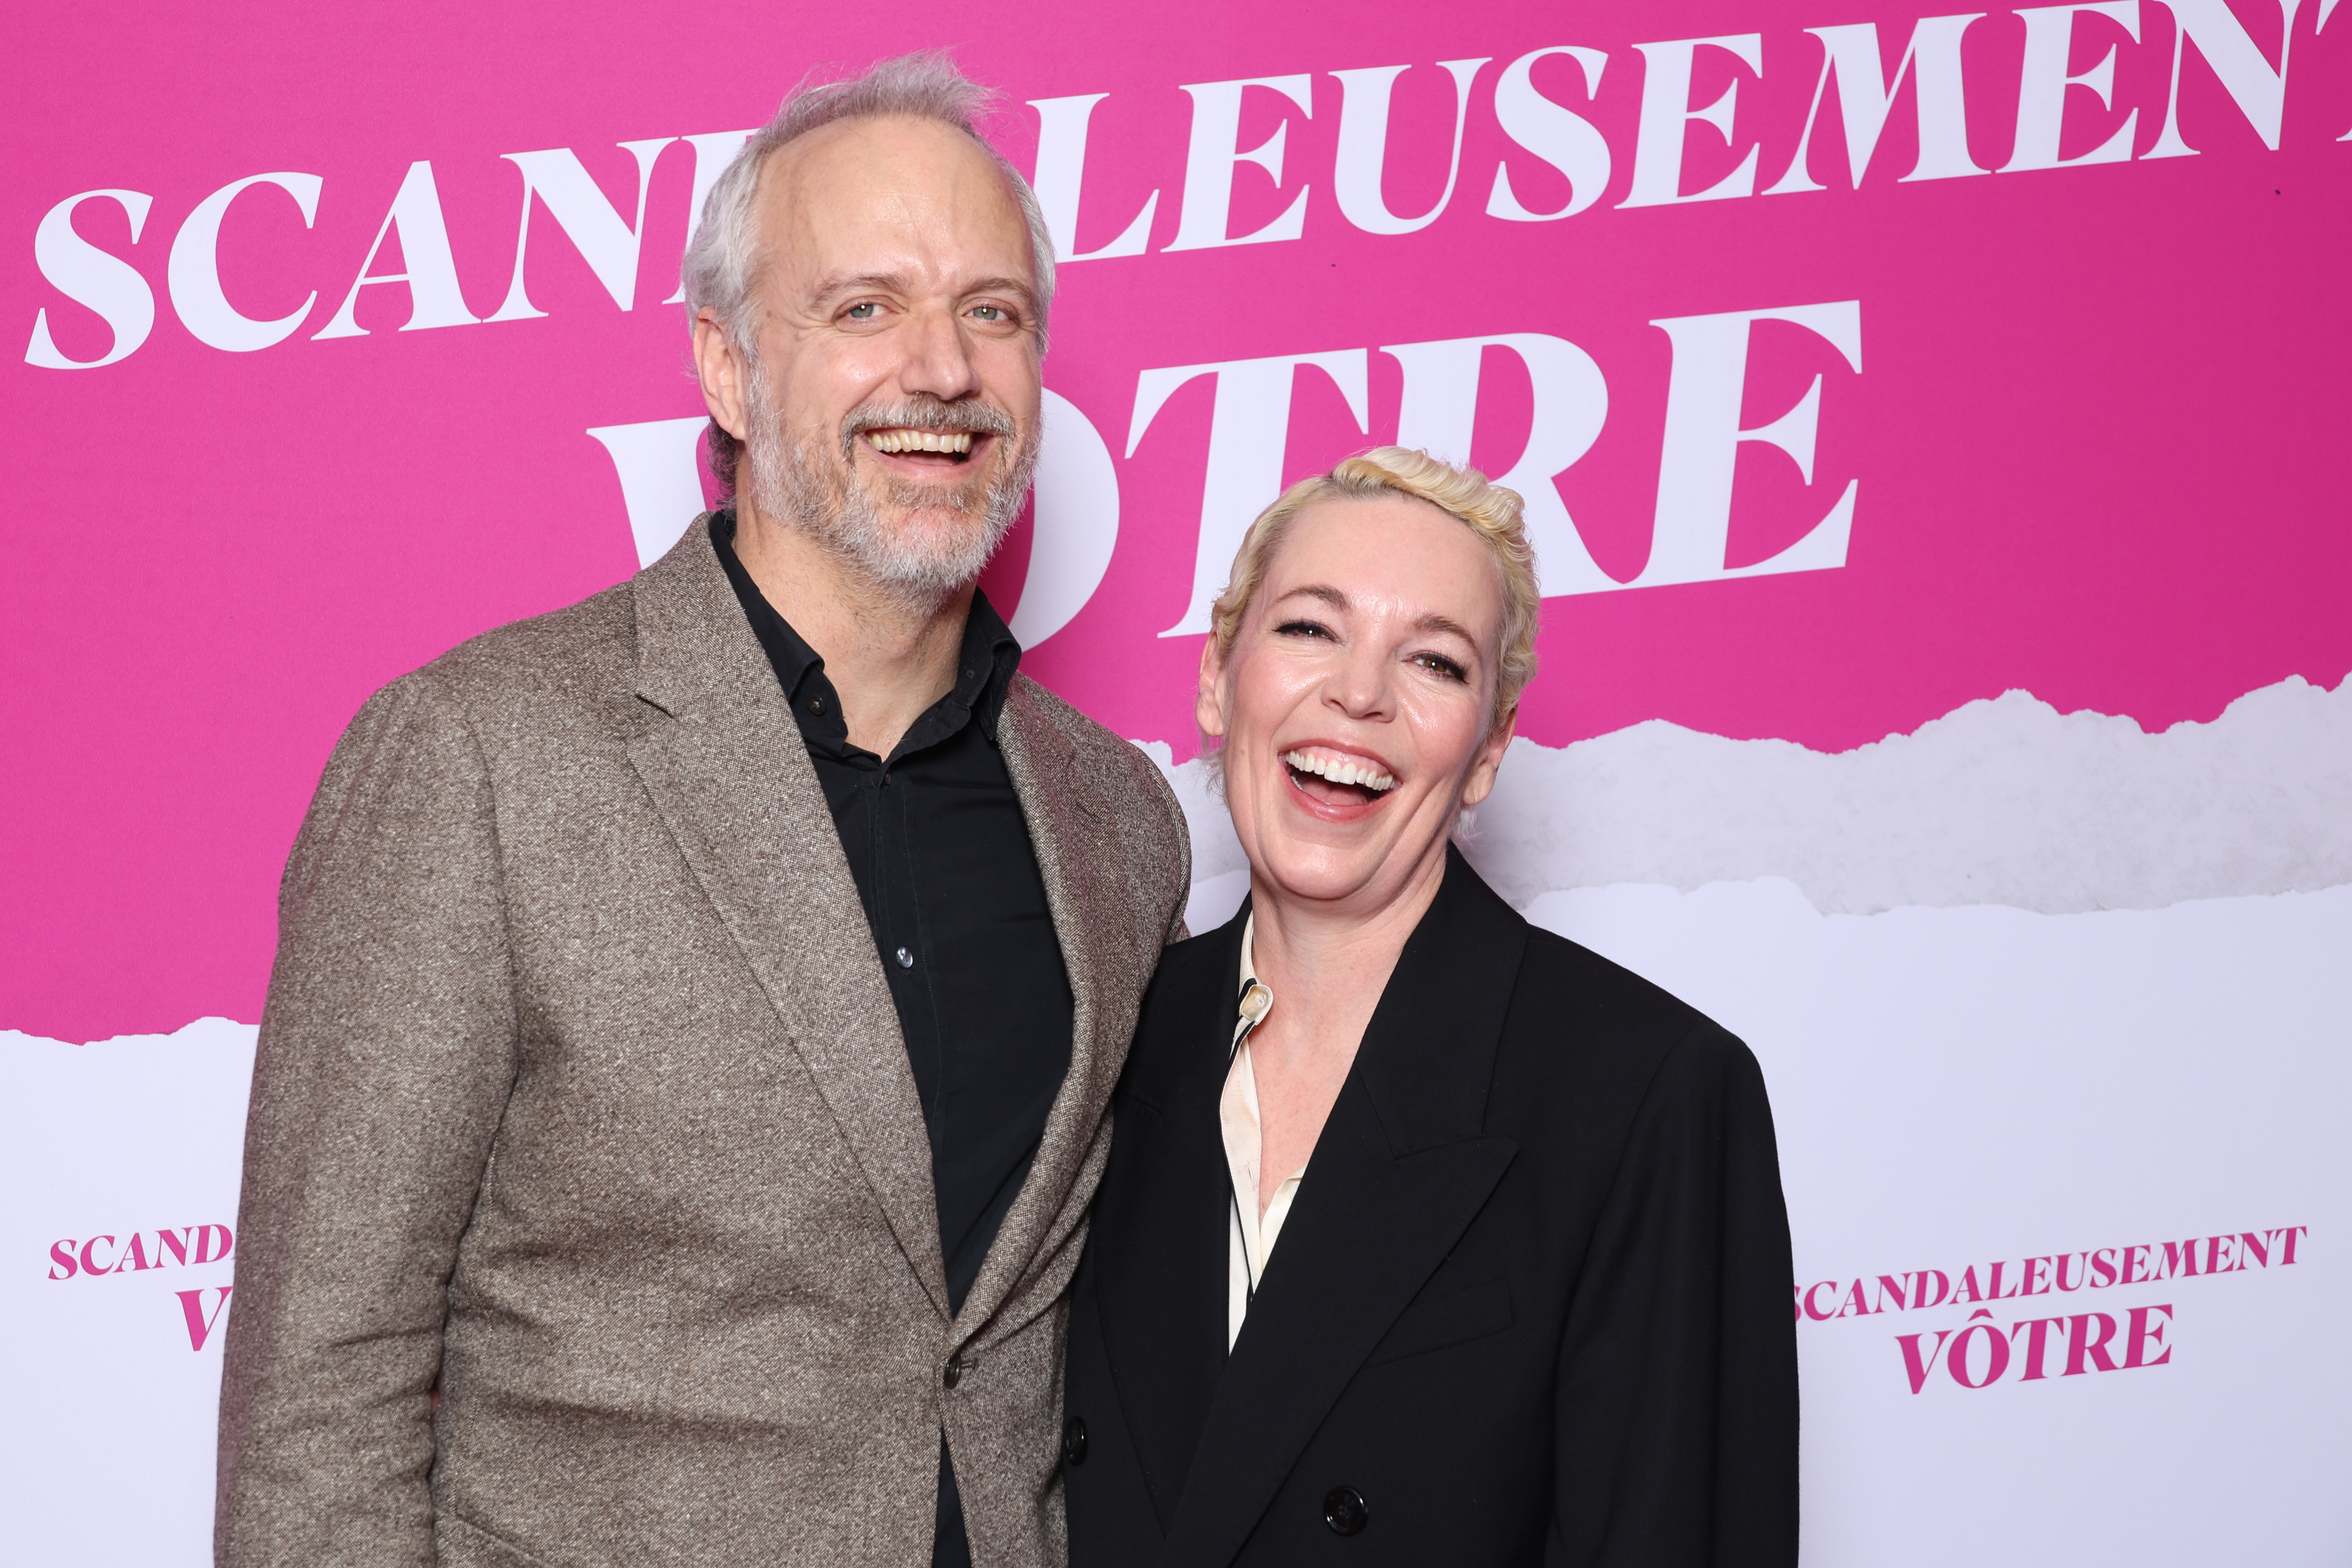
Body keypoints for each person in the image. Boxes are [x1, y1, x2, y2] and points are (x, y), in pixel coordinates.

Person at [215, 54, 1190, 1568]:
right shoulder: (477, 758)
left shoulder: (1117, 823)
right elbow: (317, 1394)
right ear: (729, 368)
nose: (942, 368)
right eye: (863, 308)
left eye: (992, 313)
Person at [1061, 449, 1799, 1567]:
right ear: (1219, 675)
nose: (1358, 693)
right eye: (1310, 629)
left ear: (1488, 749)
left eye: (1434, 662)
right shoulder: (1101, 1043)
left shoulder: (1645, 1094)